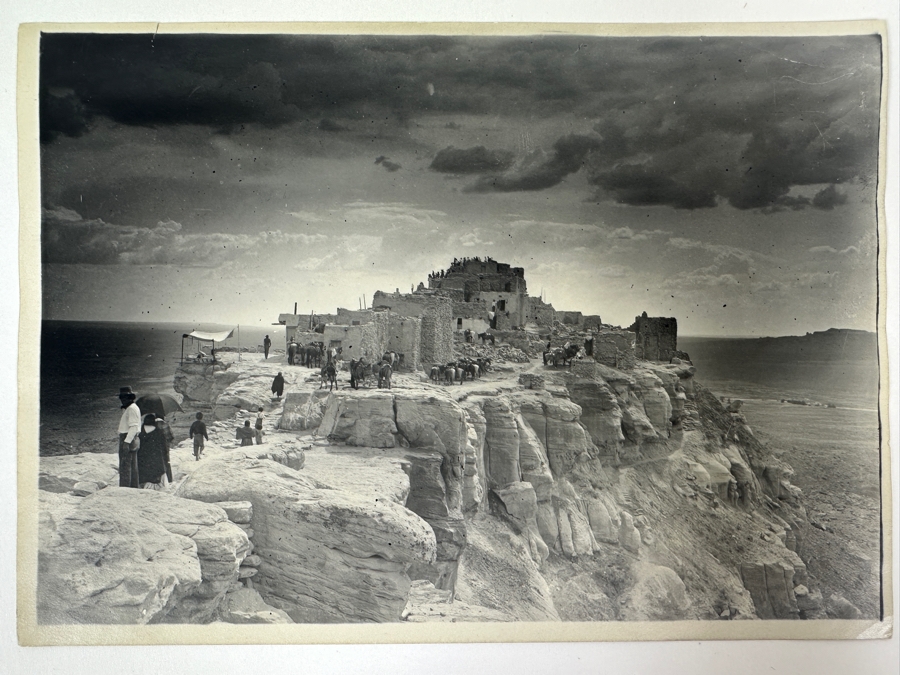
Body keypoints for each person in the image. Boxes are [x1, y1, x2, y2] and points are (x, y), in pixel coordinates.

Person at [117, 386, 141, 488]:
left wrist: (126, 442)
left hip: (127, 438)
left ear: (130, 398)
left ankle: (125, 487)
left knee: (125, 465)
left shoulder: (131, 409)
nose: (123, 400)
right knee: (132, 465)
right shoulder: (131, 408)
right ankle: (133, 486)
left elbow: (133, 427)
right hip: (131, 438)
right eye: (121, 398)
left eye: (125, 398)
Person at [137, 413, 170, 489]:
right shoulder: (159, 432)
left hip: (142, 463)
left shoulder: (140, 432)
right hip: (157, 463)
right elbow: (164, 448)